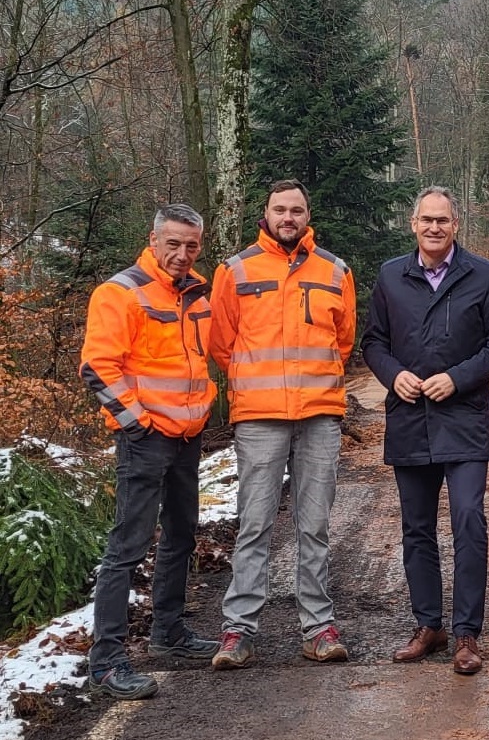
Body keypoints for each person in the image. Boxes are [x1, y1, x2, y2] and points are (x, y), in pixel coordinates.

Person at [361, 185, 489, 675]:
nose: (434, 228)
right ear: (413, 224)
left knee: (469, 521)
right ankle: (428, 625)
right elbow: (373, 342)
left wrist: (458, 377)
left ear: (456, 225)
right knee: (417, 528)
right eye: (426, 220)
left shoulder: (484, 275)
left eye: (443, 221)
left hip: (464, 420)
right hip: (409, 420)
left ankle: (467, 633)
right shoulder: (390, 276)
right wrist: (393, 374)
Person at [209, 179, 356, 669]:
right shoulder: (235, 270)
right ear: (266, 214)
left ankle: (318, 628)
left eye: (296, 209)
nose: (288, 217)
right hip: (259, 417)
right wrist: (259, 384)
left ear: (307, 214)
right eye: (279, 210)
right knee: (254, 524)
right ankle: (238, 631)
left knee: (313, 526)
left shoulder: (335, 271)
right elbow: (222, 343)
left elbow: (343, 341)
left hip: (318, 416)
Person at [80, 204, 218, 700]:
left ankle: (169, 633)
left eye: (191, 246)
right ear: (153, 239)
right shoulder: (120, 292)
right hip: (145, 438)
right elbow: (98, 367)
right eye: (173, 244)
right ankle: (107, 661)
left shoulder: (197, 293)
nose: (182, 254)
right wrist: (136, 422)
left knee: (182, 533)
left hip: (187, 436)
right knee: (128, 547)